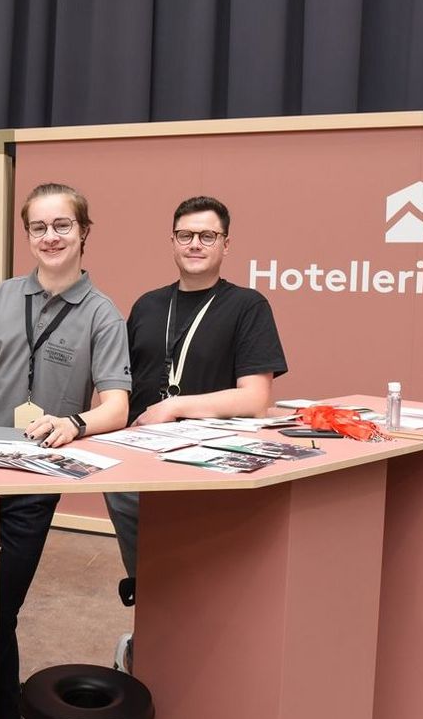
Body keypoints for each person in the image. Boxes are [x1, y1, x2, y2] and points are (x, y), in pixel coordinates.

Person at [0, 183, 131, 719]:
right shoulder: (2, 295)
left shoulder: (103, 314)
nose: (50, 237)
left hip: (36, 477)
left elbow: (117, 406)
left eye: (62, 225)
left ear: (84, 232)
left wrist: (73, 422)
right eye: (39, 227)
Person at [104, 195, 287, 671]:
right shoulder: (147, 305)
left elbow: (255, 398)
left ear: (226, 244)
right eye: (185, 235)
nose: (195, 244)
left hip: (207, 464)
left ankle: (204, 668)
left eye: (208, 235)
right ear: (172, 241)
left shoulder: (247, 306)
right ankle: (148, 650)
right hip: (138, 466)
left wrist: (176, 406)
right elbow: (119, 384)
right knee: (150, 575)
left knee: (204, 577)